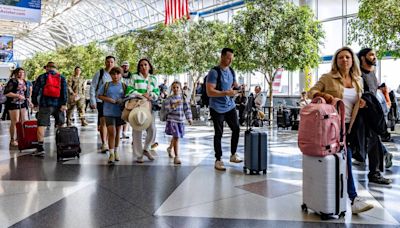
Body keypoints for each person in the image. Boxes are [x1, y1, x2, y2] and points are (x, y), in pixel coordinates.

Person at [308, 46, 373, 214]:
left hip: (350, 126)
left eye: (347, 57)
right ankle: (354, 198)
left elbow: (356, 101)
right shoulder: (328, 78)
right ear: (336, 61)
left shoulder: (358, 80)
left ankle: (326, 195)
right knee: (346, 158)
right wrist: (327, 97)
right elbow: (311, 92)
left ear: (353, 61)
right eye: (341, 57)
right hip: (331, 126)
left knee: (343, 160)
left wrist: (362, 103)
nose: (344, 60)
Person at [358, 48, 391, 185]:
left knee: (375, 144)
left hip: (373, 114)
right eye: (371, 55)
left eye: (375, 55)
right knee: (365, 145)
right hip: (361, 115)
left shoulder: (372, 73)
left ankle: (375, 173)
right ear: (362, 58)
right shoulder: (357, 74)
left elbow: (374, 91)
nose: (374, 57)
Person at [206, 48, 242, 171]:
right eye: (228, 58)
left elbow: (235, 85)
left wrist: (239, 89)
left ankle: (233, 154)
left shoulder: (231, 71)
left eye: (232, 58)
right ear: (222, 56)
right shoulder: (214, 72)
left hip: (229, 105)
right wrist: (226, 92)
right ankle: (218, 159)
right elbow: (210, 92)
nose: (230, 61)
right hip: (216, 107)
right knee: (219, 133)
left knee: (236, 128)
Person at [125, 58, 160, 163]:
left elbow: (156, 92)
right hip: (137, 105)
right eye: (141, 65)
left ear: (149, 66)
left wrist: (151, 95)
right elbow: (129, 91)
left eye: (145, 64)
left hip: (149, 106)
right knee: (137, 129)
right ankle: (139, 155)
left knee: (152, 129)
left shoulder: (153, 78)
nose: (143, 67)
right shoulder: (134, 77)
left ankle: (146, 148)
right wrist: (141, 94)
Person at [32, 62, 67, 156]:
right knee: (61, 124)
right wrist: (64, 103)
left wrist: (35, 102)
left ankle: (40, 148)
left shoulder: (42, 77)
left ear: (46, 68)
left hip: (45, 104)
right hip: (58, 105)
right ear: (56, 68)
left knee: (41, 125)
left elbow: (35, 91)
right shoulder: (61, 77)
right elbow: (64, 92)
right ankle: (62, 146)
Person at [97, 67, 126, 164]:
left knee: (118, 132)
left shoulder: (124, 86)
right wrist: (109, 99)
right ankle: (111, 153)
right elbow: (99, 95)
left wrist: (122, 101)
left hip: (120, 113)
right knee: (111, 132)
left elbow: (128, 97)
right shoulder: (106, 85)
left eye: (118, 74)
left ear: (121, 75)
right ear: (110, 75)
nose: (116, 76)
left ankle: (116, 151)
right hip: (108, 112)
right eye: (113, 74)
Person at [90, 56, 115, 153]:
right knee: (103, 121)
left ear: (114, 63)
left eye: (112, 62)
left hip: (113, 102)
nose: (110, 64)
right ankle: (104, 143)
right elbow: (93, 87)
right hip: (101, 101)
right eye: (108, 62)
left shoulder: (116, 73)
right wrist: (92, 100)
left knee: (110, 123)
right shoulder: (100, 73)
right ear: (105, 62)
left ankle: (109, 142)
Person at [164, 81, 193, 164]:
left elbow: (187, 109)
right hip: (172, 120)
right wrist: (174, 105)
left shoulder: (183, 98)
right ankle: (177, 156)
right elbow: (167, 110)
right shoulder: (169, 99)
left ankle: (170, 148)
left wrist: (189, 118)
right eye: (174, 87)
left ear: (180, 88)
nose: (176, 89)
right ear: (172, 88)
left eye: (177, 87)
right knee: (176, 137)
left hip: (180, 121)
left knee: (176, 136)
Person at [3, 68, 29, 147]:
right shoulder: (13, 81)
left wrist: (28, 100)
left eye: (23, 72)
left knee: (22, 121)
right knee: (15, 122)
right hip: (13, 104)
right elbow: (6, 93)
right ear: (16, 73)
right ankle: (12, 140)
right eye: (19, 72)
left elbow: (25, 93)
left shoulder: (24, 81)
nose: (21, 74)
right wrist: (17, 95)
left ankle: (20, 138)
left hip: (23, 103)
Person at [120, 61, 133, 139]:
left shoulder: (132, 76)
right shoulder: (118, 75)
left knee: (127, 115)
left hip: (129, 97)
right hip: (120, 97)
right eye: (124, 66)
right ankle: (120, 132)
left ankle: (124, 132)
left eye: (126, 66)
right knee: (120, 115)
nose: (125, 67)